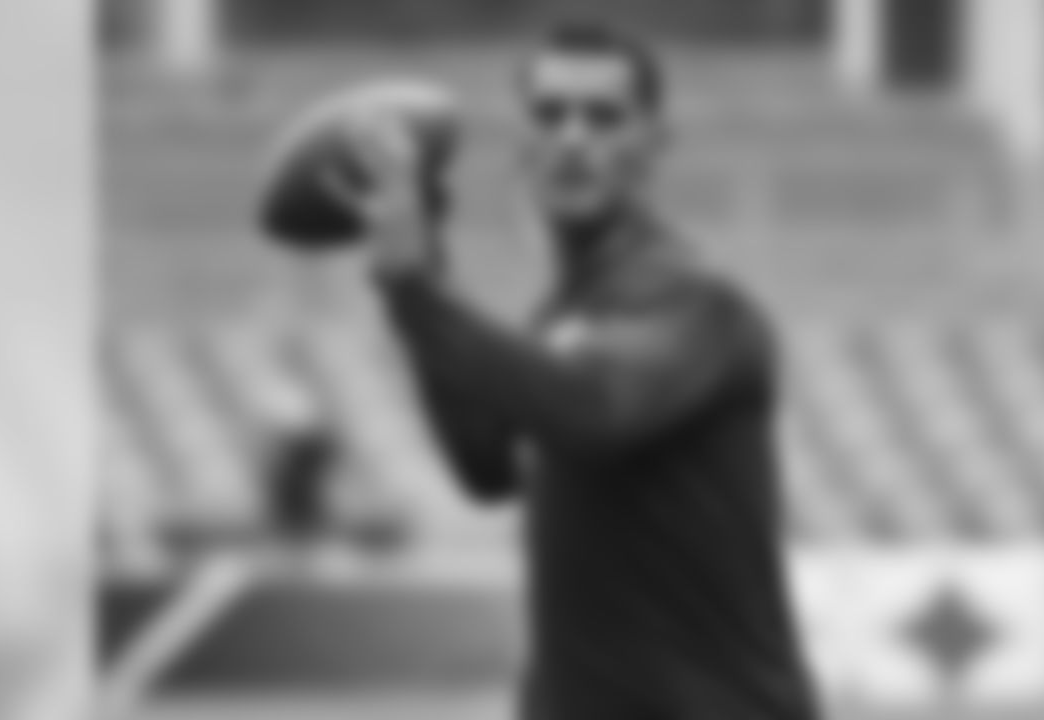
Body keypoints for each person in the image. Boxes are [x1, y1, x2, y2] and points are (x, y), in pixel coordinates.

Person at [337, 22, 822, 720]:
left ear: (653, 143)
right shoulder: (562, 318)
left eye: (603, 117)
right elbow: (483, 464)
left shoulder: (696, 303)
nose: (572, 137)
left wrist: (415, 292)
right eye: (549, 114)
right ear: (523, 144)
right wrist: (423, 268)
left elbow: (592, 409)